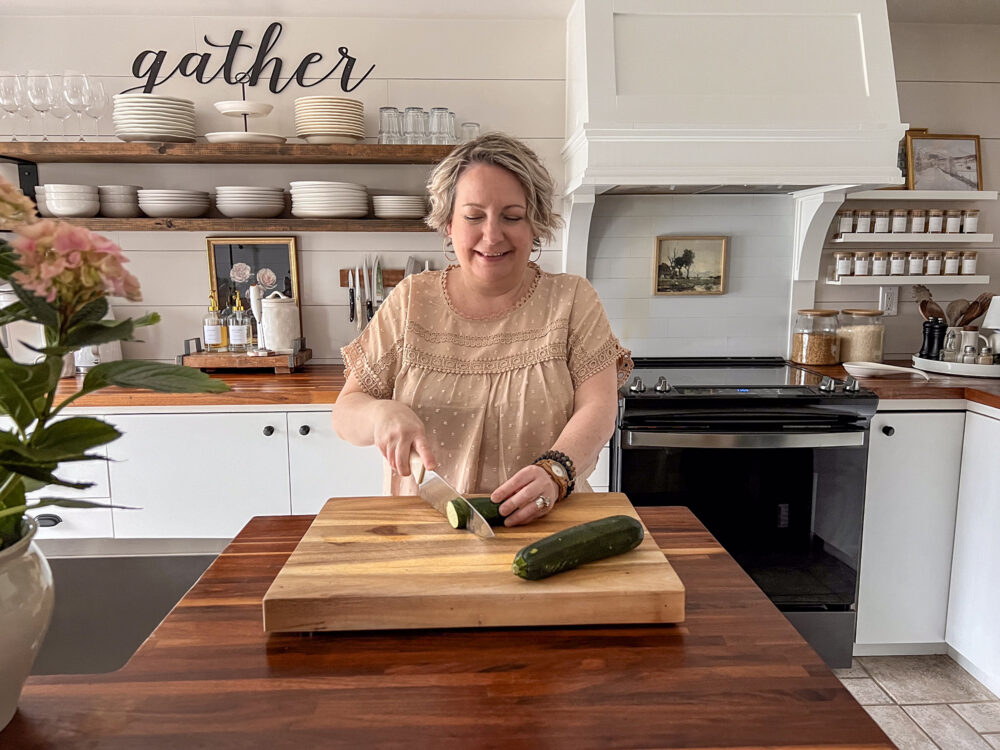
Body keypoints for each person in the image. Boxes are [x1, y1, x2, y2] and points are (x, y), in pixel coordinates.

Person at [331, 132, 632, 525]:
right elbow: (346, 412)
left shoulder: (572, 300)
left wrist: (556, 471)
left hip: (548, 520)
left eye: (512, 216)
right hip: (423, 527)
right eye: (474, 216)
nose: (492, 236)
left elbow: (598, 407)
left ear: (535, 225)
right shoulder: (410, 301)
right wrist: (379, 415)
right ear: (448, 225)